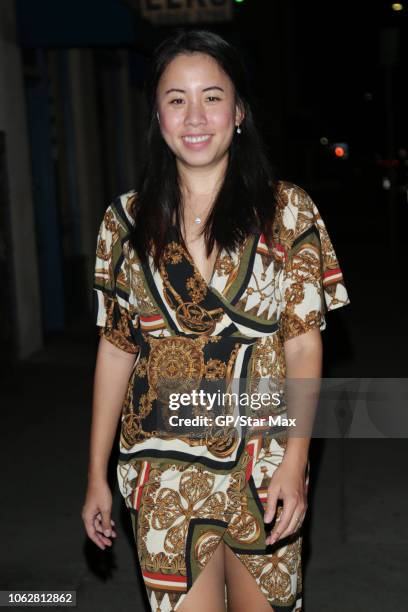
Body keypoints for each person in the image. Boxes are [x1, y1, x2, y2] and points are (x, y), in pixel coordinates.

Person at [82, 28, 350, 612]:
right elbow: (116, 349)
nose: (195, 115)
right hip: (162, 471)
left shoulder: (288, 212)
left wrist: (297, 464)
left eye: (212, 95)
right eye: (176, 99)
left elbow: (304, 347)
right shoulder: (123, 224)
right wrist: (96, 474)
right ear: (157, 114)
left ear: (239, 111)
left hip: (265, 463)